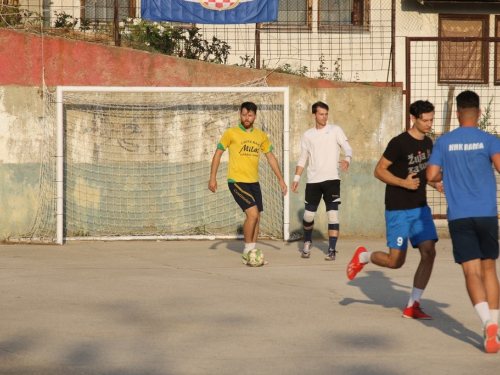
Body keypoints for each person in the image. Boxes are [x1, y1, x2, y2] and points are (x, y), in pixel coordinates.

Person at [346, 100, 443, 319]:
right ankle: (363, 256)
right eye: (425, 120)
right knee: (395, 262)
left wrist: (435, 183)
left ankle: (412, 305)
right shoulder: (398, 143)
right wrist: (403, 183)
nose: (429, 124)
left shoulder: (428, 143)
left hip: (420, 209)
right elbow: (379, 171)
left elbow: (423, 174)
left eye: (431, 120)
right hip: (398, 209)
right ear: (413, 119)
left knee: (429, 252)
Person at [427, 90, 500, 354]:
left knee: (471, 272)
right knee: (489, 269)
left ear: (457, 114)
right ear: (479, 113)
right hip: (487, 214)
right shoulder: (489, 140)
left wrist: (448, 172)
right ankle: (496, 329)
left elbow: (431, 174)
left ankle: (486, 322)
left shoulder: (444, 142)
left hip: (459, 215)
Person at [208, 102, 287, 263]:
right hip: (236, 181)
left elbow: (270, 157)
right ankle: (248, 250)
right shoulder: (231, 133)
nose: (246, 118)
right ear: (240, 115)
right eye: (244, 114)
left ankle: (252, 250)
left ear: (255, 116)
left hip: (253, 182)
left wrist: (281, 179)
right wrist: (212, 177)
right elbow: (218, 153)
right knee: (251, 214)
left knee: (257, 216)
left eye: (250, 115)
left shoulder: (260, 135)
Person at [291, 101, 353, 261]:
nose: (324, 117)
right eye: (321, 114)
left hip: (332, 180)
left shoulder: (335, 130)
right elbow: (303, 158)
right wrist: (296, 178)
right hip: (313, 181)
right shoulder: (307, 135)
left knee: (333, 215)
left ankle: (331, 249)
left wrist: (347, 159)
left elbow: (348, 147)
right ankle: (307, 241)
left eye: (326, 114)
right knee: (309, 216)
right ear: (314, 115)